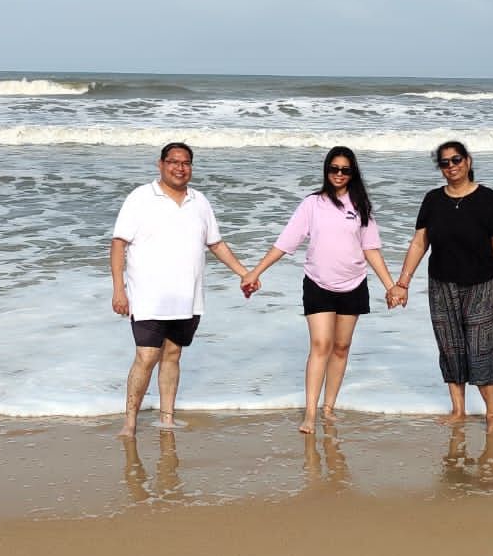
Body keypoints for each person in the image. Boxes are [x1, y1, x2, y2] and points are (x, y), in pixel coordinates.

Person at [240, 146, 397, 435]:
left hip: (354, 283)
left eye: (345, 170)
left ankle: (329, 407)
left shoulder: (361, 206)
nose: (338, 174)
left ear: (352, 173)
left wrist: (391, 285)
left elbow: (371, 249)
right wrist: (255, 272)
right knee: (321, 345)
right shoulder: (312, 204)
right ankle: (311, 414)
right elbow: (286, 242)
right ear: (326, 170)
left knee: (341, 347)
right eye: (333, 169)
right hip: (317, 283)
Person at [111, 142, 250, 435]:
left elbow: (216, 243)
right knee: (146, 357)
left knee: (173, 355)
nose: (180, 168)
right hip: (148, 296)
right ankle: (130, 423)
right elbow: (118, 244)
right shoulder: (140, 198)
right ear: (160, 164)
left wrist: (244, 273)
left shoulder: (199, 201)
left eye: (186, 163)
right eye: (173, 162)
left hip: (187, 297)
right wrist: (118, 290)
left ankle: (167, 417)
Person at [388, 140, 493, 433]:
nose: (451, 166)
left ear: (467, 161)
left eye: (456, 160)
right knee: (450, 347)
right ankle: (458, 411)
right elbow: (420, 241)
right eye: (445, 163)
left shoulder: (488, 199)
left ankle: (492, 413)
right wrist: (402, 282)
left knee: (483, 348)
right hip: (441, 284)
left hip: (482, 284)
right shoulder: (432, 200)